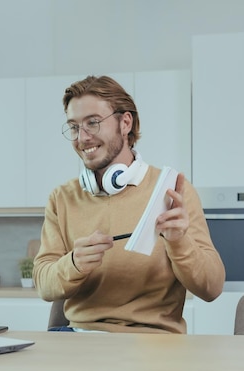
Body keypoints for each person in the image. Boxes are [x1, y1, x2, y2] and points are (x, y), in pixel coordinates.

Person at [33, 75, 225, 334]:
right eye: (75, 127)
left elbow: (212, 288)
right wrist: (74, 263)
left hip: (154, 347)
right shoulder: (62, 197)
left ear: (125, 123)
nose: (82, 138)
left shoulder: (172, 190)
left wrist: (179, 242)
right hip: (79, 343)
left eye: (93, 123)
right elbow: (44, 285)